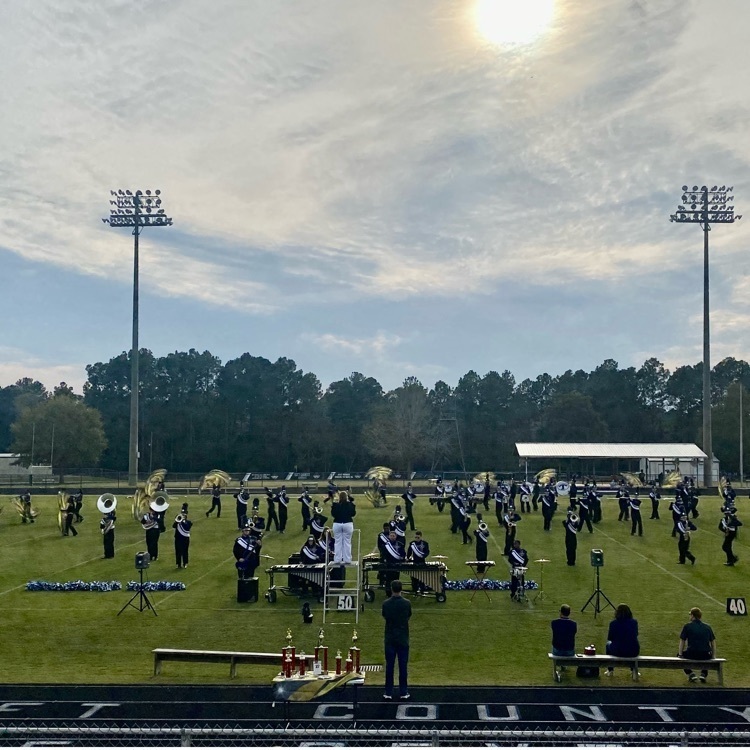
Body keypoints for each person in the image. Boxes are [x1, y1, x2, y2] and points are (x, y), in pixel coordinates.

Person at [382, 579, 412, 700]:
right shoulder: (407, 603)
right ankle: (403, 691)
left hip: (390, 637)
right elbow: (408, 615)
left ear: (391, 588)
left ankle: (388, 692)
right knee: (403, 666)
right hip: (403, 637)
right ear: (401, 589)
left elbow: (385, 615)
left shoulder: (386, 603)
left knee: (390, 666)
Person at [679, 607, 716, 682]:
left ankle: (690, 673)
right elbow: (713, 642)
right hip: (705, 655)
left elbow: (682, 641)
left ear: (692, 616)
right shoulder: (707, 627)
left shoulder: (687, 626)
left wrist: (680, 654)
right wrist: (713, 655)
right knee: (706, 654)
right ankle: (704, 673)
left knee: (679, 656)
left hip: (692, 653)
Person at [605, 603, 640, 676]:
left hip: (618, 650)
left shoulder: (613, 623)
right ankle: (633, 670)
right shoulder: (634, 622)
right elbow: (636, 634)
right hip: (633, 650)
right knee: (632, 644)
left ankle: (610, 670)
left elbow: (610, 638)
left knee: (608, 644)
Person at [331, 490, 357, 564]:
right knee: (347, 542)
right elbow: (353, 514)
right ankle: (347, 559)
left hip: (337, 523)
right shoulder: (350, 504)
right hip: (347, 523)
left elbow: (333, 514)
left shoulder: (335, 505)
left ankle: (337, 559)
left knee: (338, 542)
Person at [173, 504, 193, 569]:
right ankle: (178, 564)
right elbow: (173, 526)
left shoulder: (189, 522)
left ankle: (185, 563)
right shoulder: (178, 521)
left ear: (186, 515)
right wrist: (177, 521)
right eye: (182, 514)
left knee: (185, 551)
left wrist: (182, 522)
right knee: (178, 551)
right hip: (178, 538)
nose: (183, 515)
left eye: (184, 514)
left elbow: (187, 528)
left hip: (185, 539)